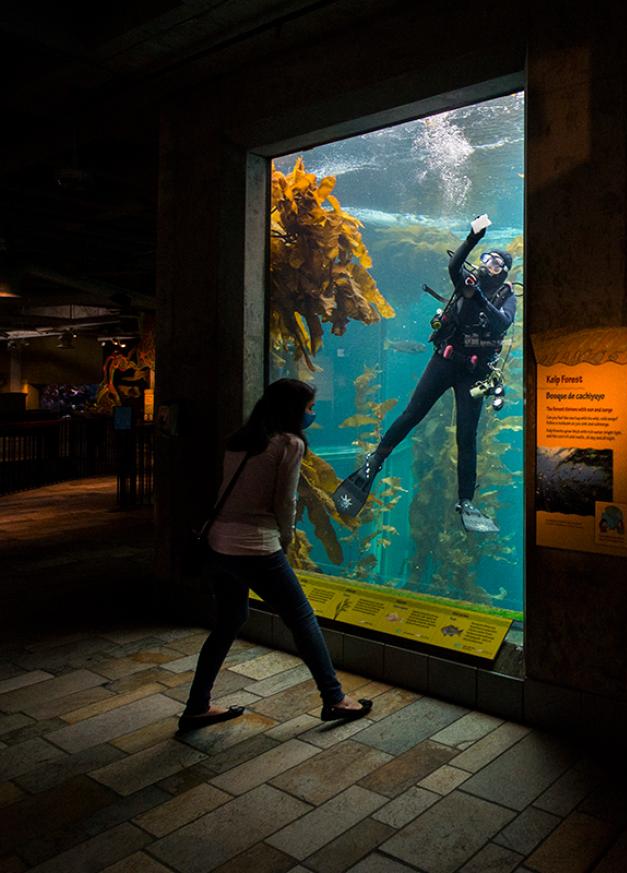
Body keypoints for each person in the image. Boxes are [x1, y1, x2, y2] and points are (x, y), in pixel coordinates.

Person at [178, 378, 372, 731]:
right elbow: (285, 500)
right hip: (256, 546)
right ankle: (335, 698)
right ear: (293, 410)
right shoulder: (289, 444)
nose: (312, 414)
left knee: (228, 621)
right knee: (301, 617)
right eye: (309, 408)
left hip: (219, 544)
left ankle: (197, 705)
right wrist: (287, 535)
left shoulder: (238, 442)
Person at [333, 213, 516, 533]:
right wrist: (473, 237)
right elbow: (453, 265)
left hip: (473, 374)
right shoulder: (465, 283)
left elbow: (502, 322)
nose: (488, 265)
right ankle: (375, 460)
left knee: (466, 436)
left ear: (504, 273)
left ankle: (466, 501)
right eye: (486, 259)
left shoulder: (506, 296)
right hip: (445, 361)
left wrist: (481, 296)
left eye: (496, 263)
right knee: (411, 414)